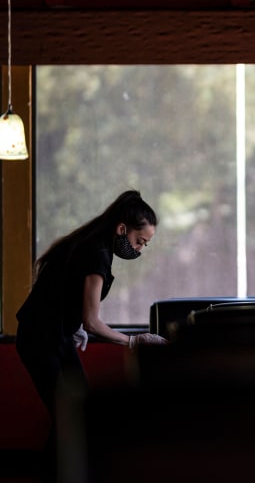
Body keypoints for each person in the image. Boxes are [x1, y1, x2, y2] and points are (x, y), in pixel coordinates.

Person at [15, 190, 166, 476]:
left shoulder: (93, 244)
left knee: (77, 413)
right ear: (122, 229)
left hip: (56, 336)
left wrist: (72, 326)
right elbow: (93, 322)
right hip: (40, 341)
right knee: (71, 417)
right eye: (139, 241)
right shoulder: (97, 252)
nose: (139, 249)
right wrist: (135, 340)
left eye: (144, 244)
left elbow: (70, 303)